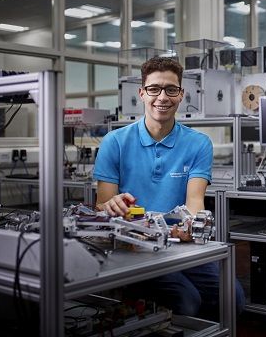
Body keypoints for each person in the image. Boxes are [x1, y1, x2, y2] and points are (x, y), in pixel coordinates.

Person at [93, 56, 245, 318]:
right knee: (188, 301)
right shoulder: (114, 142)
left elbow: (195, 201)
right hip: (134, 248)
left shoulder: (198, 143)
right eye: (154, 89)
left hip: (178, 245)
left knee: (234, 298)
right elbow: (102, 204)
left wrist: (191, 224)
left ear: (181, 94)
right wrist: (110, 206)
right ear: (141, 93)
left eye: (171, 89)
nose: (162, 97)